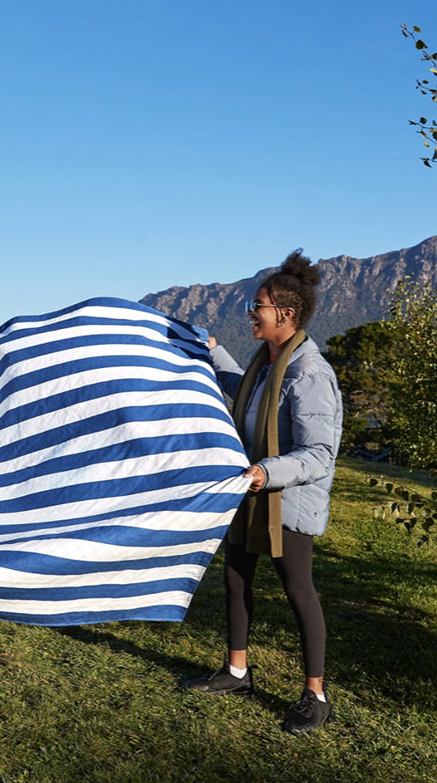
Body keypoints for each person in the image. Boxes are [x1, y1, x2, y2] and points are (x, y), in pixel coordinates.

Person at [185, 250, 342, 736]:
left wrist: (263, 472)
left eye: (258, 306)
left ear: (286, 315)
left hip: (287, 502)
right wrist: (212, 350)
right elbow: (244, 394)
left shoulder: (310, 374)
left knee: (299, 592)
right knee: (236, 579)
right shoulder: (265, 364)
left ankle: (315, 694)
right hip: (252, 491)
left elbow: (319, 454)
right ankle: (237, 672)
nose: (251, 313)